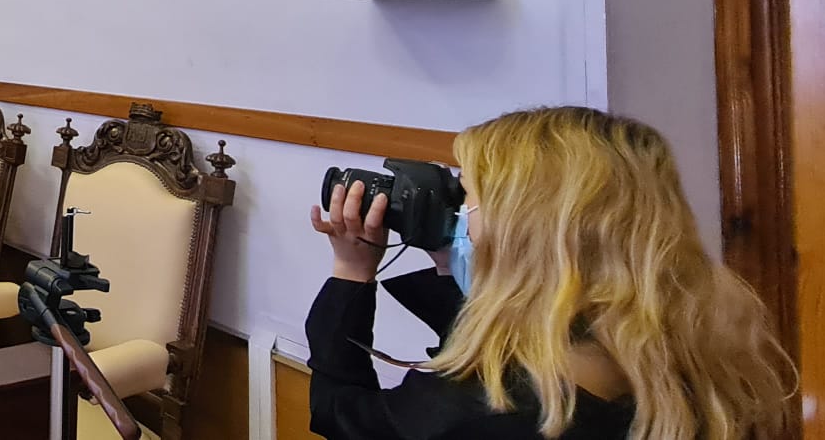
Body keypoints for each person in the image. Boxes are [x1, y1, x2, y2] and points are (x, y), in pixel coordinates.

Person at [306, 107, 791, 440]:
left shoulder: (466, 413)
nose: (460, 215)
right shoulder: (700, 369)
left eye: (468, 198)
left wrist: (351, 272)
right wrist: (446, 261)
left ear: (527, 231)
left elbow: (342, 416)